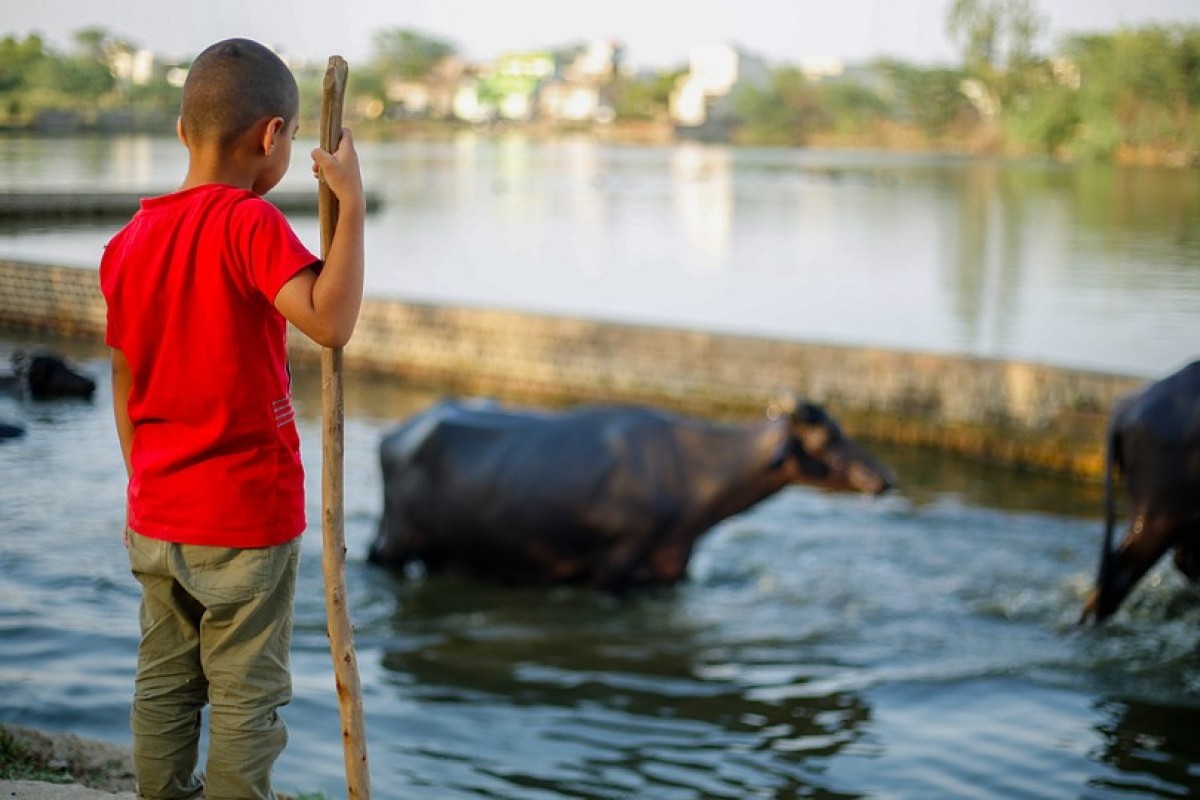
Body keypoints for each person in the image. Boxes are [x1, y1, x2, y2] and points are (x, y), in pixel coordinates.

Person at [99, 37, 365, 800]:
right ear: (274, 137)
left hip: (156, 515)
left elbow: (124, 380)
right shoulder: (247, 225)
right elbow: (329, 319)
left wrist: (147, 483)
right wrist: (353, 206)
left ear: (183, 132)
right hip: (243, 522)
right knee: (246, 700)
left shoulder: (128, 243)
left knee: (164, 685)